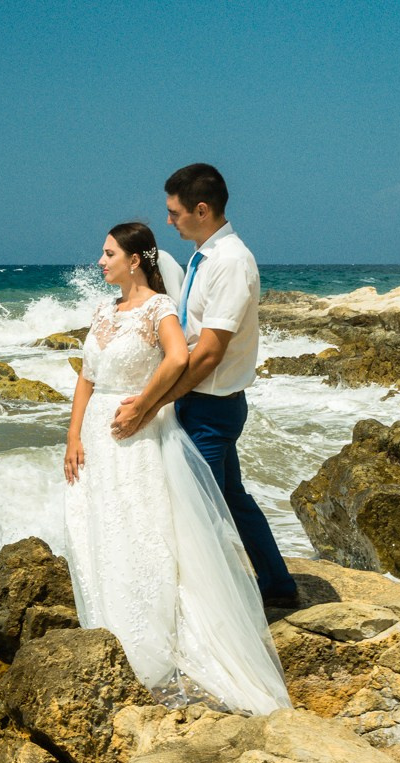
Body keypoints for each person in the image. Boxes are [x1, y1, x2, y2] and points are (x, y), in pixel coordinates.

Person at [64, 221, 290, 716]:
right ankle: (105, 617)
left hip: (135, 431)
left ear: (135, 260)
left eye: (107, 254)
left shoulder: (159, 308)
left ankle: (155, 624)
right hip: (97, 433)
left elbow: (178, 357)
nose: (100, 262)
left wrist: (145, 404)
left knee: (144, 525)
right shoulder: (103, 310)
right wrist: (73, 435)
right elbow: (87, 375)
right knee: (100, 523)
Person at [115, 163, 299, 607]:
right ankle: (277, 585)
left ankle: (218, 607)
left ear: (201, 209)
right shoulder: (205, 256)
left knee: (198, 511)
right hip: (202, 402)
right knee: (232, 498)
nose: (168, 220)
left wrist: (153, 401)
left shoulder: (232, 262)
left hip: (211, 407)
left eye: (174, 212)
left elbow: (211, 351)